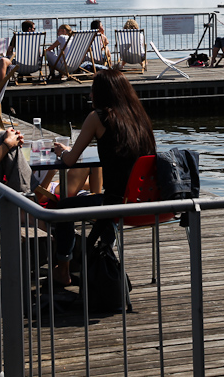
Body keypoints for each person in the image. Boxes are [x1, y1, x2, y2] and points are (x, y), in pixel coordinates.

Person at [49, 69, 156, 286]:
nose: (90, 96)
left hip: (117, 203)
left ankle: (64, 270)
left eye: (92, 91)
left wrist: (63, 152)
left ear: (102, 93)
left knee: (63, 209)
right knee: (102, 200)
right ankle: (104, 249)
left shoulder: (99, 117)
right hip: (148, 202)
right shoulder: (139, 116)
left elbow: (70, 161)